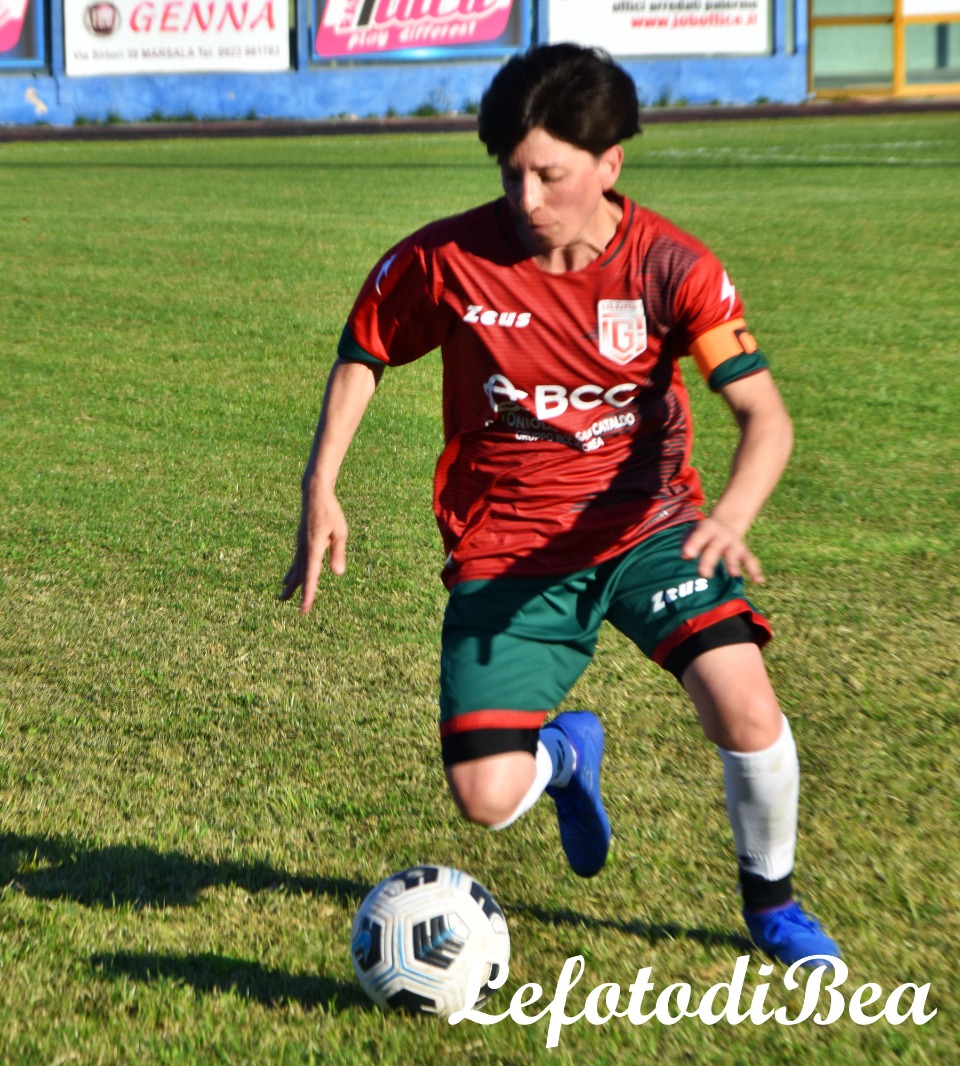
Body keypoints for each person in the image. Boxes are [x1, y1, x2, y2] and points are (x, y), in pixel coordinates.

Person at [280, 44, 840, 966]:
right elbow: (363, 349)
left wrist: (729, 518)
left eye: (551, 174)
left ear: (609, 163)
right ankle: (566, 757)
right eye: (512, 174)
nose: (528, 199)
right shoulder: (448, 258)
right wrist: (321, 484)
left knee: (744, 704)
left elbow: (764, 418)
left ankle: (772, 904)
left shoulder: (673, 267)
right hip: (508, 550)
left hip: (649, 530)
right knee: (487, 797)